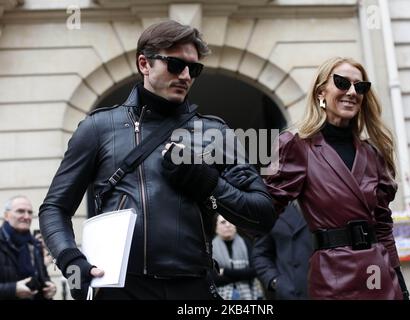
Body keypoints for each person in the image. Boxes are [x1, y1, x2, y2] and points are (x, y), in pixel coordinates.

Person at [39, 20, 275, 300]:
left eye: (194, 68)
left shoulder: (215, 132)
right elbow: (54, 207)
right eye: (175, 65)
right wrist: (71, 261)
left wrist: (207, 183)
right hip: (122, 288)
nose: (186, 75)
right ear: (144, 64)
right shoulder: (98, 127)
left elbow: (261, 216)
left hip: (194, 288)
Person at [264, 57, 409, 300]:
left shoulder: (373, 154)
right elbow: (264, 209)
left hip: (377, 272)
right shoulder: (296, 147)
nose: (352, 92)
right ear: (321, 92)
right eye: (342, 83)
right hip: (332, 274)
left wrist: (401, 285)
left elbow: (383, 227)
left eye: (360, 86)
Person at [251, 202, 312, 300]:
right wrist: (276, 281)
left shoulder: (325, 203)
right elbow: (260, 254)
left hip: (326, 290)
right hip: (290, 293)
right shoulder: (273, 210)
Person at [0, 196, 57, 300]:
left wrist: (50, 287)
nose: (26, 216)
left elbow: (43, 278)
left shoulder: (35, 244)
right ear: (6, 215)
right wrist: (13, 290)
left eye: (30, 212)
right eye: (20, 211)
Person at [212, 215, 262, 300]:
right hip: (222, 296)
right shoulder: (211, 247)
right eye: (223, 222)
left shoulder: (246, 243)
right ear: (216, 228)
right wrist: (242, 274)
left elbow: (254, 271)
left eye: (231, 221)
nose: (228, 225)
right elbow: (213, 279)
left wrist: (225, 271)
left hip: (250, 295)